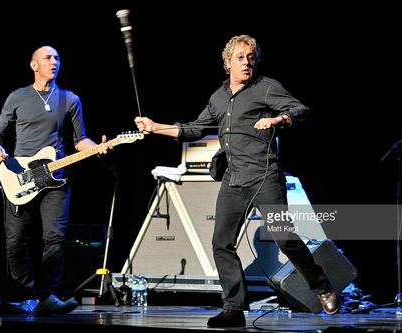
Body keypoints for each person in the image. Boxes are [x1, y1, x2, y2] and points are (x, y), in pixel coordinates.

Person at [135, 35, 339, 327]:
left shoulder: (266, 87)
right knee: (221, 242)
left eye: (251, 57)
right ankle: (233, 309)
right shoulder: (218, 98)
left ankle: (323, 287)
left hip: (264, 177)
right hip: (233, 180)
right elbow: (193, 129)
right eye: (241, 57)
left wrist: (278, 120)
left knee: (287, 240)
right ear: (227, 62)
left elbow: (301, 111)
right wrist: (155, 127)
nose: (247, 62)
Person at [0, 46, 113, 315]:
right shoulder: (17, 97)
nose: (54, 62)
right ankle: (26, 296)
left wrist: (97, 148)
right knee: (15, 241)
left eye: (56, 58)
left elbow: (80, 141)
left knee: (54, 239)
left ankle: (49, 297)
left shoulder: (69, 99)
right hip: (20, 177)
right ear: (34, 66)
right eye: (47, 58)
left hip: (56, 177)